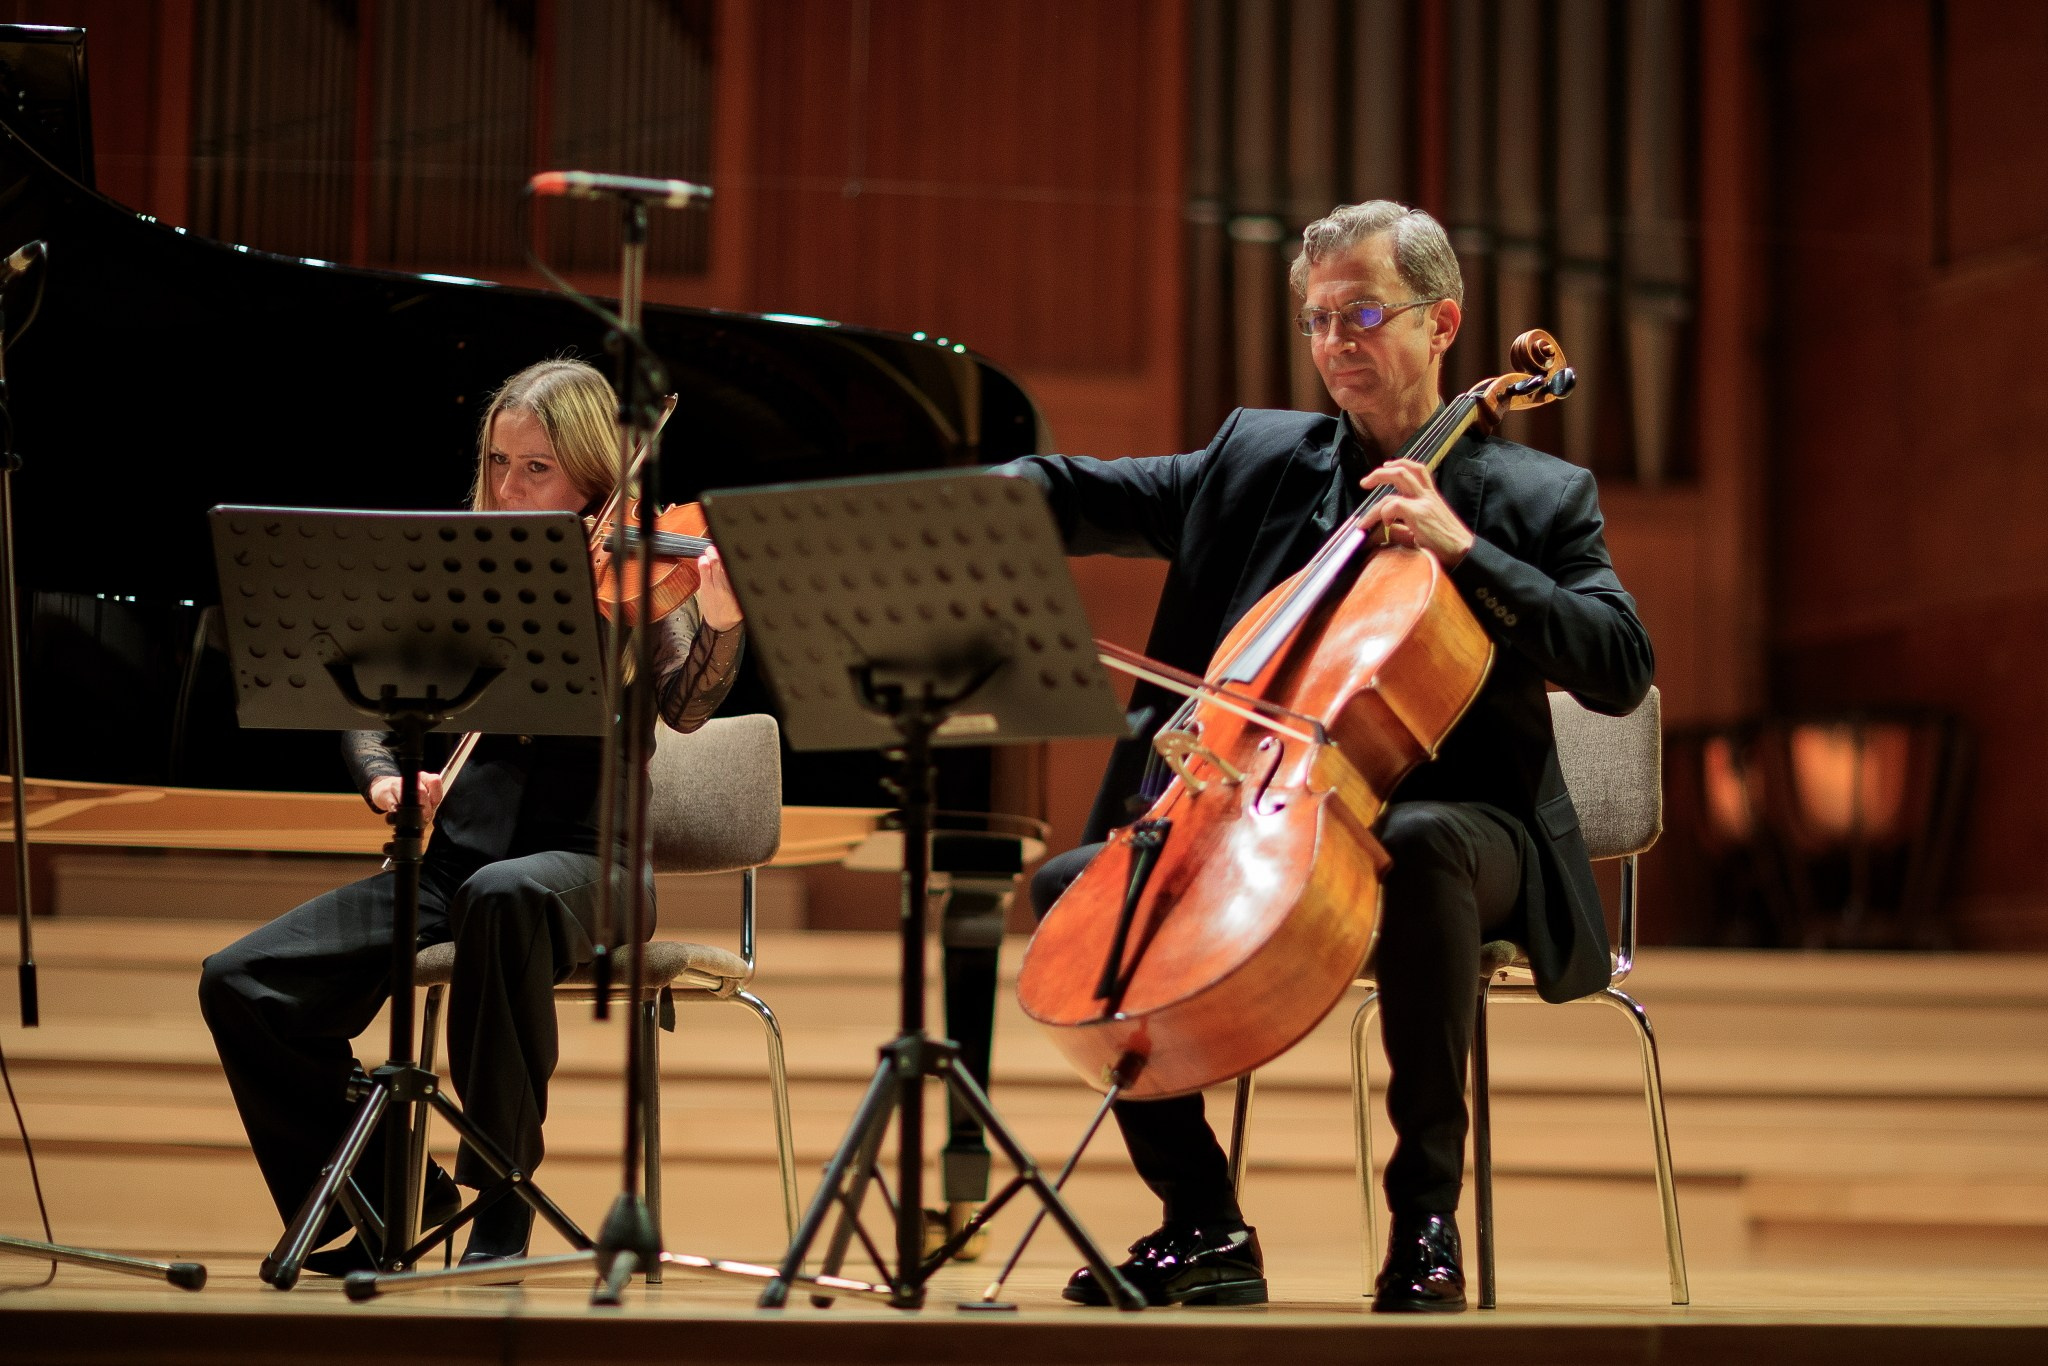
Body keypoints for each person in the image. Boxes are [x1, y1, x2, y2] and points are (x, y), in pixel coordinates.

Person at [1006, 201, 1653, 1312]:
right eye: (1315, 321)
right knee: (1077, 894)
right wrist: (933, 500)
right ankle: (1202, 1223)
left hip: (1472, 828)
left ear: (1440, 320)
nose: (1335, 342)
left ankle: (1423, 1224)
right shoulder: (1256, 458)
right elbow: (1080, 493)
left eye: (1360, 312)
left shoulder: (1536, 497)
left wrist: (1464, 548)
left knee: (1417, 838)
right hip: (1274, 805)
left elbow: (1617, 662)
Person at [199, 359, 746, 1273]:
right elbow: (367, 699)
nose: (509, 485)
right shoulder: (466, 567)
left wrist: (722, 623)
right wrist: (384, 779)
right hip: (451, 865)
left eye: (536, 468)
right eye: (499, 462)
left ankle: (501, 1202)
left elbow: (686, 709)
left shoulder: (641, 575)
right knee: (242, 982)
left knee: (506, 895)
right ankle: (393, 1196)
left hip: (594, 868)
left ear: (594, 475)